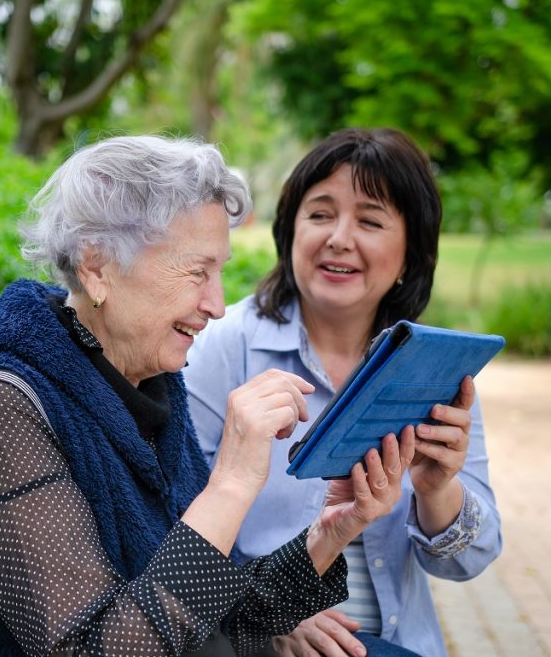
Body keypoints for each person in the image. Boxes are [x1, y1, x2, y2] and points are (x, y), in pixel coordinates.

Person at [0, 135, 418, 657]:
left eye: (219, 272)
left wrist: (329, 533)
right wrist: (232, 482)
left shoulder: (147, 383)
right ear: (96, 267)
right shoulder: (2, 412)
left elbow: (220, 615)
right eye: (197, 272)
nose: (217, 305)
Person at [184, 128, 502, 657]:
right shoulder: (220, 346)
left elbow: (470, 560)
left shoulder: (435, 368)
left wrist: (436, 488)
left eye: (371, 221)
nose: (339, 238)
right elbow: (174, 531)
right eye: (320, 214)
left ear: (410, 253)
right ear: (289, 232)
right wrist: (270, 609)